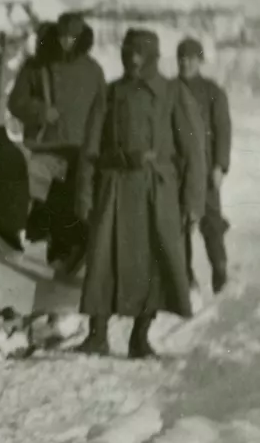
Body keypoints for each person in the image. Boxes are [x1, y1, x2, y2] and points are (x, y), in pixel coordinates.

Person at [73, 29, 208, 359]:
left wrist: (193, 201)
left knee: (156, 266)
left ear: (152, 57)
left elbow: (194, 151)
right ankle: (97, 335)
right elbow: (90, 148)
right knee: (103, 260)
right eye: (128, 52)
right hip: (115, 188)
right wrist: (84, 193)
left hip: (155, 193)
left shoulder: (173, 93)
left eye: (140, 54)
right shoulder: (110, 93)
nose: (133, 60)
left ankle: (140, 337)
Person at [8, 11, 106, 271]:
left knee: (76, 209)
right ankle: (31, 259)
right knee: (33, 202)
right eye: (62, 36)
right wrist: (40, 111)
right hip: (43, 150)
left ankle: (72, 261)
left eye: (72, 37)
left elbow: (103, 113)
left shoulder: (93, 72)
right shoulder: (37, 66)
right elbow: (15, 102)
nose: (66, 42)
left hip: (81, 154)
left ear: (81, 38)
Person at [176, 38, 232, 294]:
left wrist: (220, 165)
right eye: (182, 58)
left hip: (206, 169)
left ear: (200, 61)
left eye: (191, 58)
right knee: (177, 226)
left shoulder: (212, 91)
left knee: (211, 223)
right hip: (176, 170)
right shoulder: (169, 89)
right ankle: (185, 278)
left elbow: (223, 130)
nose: (186, 63)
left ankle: (220, 273)